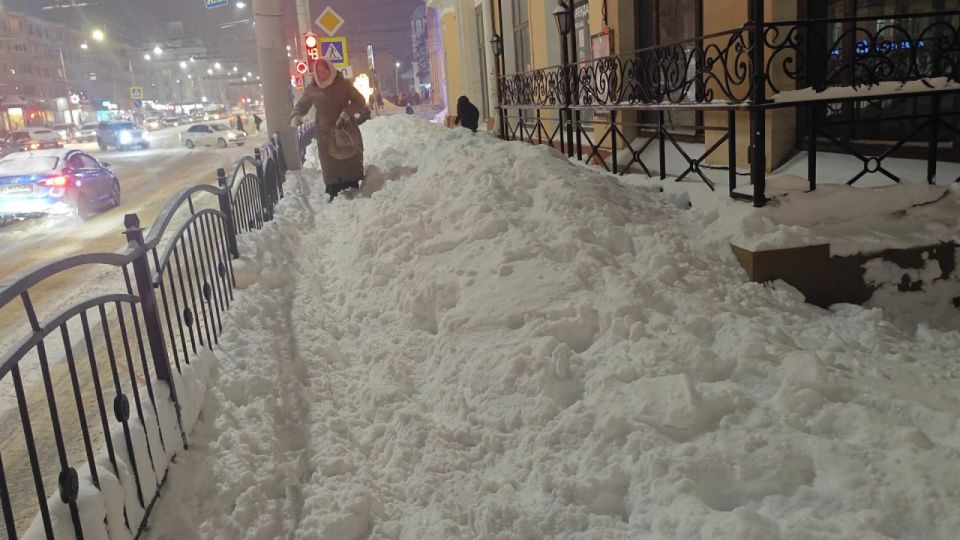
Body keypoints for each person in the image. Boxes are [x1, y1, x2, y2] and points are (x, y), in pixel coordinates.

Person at [291, 57, 372, 201]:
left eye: (325, 71)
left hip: (345, 128)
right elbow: (302, 105)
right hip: (325, 133)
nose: (323, 74)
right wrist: (296, 115)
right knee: (330, 164)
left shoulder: (343, 84)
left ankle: (353, 189)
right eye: (319, 72)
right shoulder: (312, 88)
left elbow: (359, 100)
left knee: (349, 157)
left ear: (331, 69)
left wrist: (347, 112)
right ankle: (334, 192)